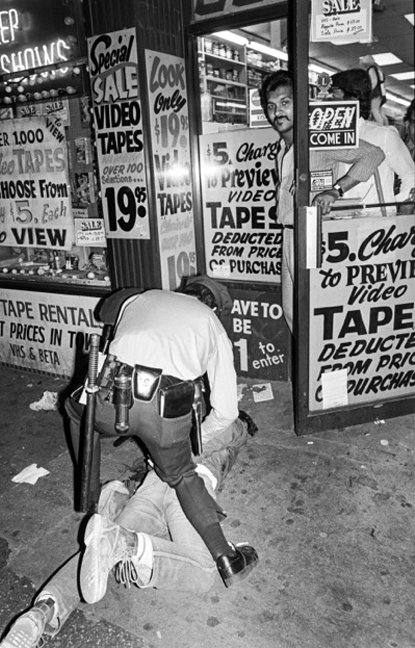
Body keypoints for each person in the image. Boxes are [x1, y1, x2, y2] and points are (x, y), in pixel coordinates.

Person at [65, 275, 259, 590]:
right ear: (213, 306)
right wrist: (197, 442)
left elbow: (104, 312)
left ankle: (92, 501)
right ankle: (227, 558)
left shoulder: (145, 296)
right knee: (182, 477)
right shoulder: (211, 324)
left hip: (110, 394)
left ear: (184, 292)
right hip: (162, 407)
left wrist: (139, 296)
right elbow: (227, 412)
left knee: (74, 412)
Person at [0, 414, 256, 648]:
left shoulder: (173, 418)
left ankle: (45, 610)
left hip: (152, 487)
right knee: (203, 573)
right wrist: (239, 425)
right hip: (188, 490)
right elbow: (227, 429)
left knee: (99, 552)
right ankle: (128, 544)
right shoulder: (226, 422)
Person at [259, 70, 386, 332]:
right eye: (271, 106)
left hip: (312, 234)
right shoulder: (281, 149)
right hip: (289, 234)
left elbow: (373, 154)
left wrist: (336, 190)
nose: (278, 112)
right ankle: (310, 371)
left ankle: (323, 370)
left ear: (300, 105)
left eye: (285, 103)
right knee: (292, 311)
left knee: (314, 311)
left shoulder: (317, 140)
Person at [330, 68, 415, 216]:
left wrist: (402, 217)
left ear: (352, 100)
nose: (326, 103)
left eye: (333, 96)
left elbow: (410, 176)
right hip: (338, 226)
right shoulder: (326, 138)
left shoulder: (384, 136)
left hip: (376, 229)